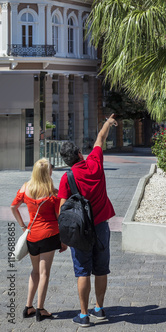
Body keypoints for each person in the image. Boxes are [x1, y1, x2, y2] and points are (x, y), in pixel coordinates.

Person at [58, 114, 117, 327]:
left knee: (82, 270)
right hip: (101, 226)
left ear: (66, 161)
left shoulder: (67, 178)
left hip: (80, 231)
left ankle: (83, 315)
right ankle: (99, 308)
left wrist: (62, 238)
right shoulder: (94, 163)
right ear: (80, 154)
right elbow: (100, 139)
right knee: (101, 269)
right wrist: (108, 123)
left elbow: (63, 210)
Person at [11, 158, 67, 321]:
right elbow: (59, 217)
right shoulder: (53, 193)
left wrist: (23, 226)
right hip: (49, 236)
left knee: (35, 272)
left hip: (32, 236)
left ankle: (29, 306)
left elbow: (13, 207)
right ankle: (40, 309)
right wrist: (63, 240)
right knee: (44, 273)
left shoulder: (25, 188)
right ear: (47, 172)